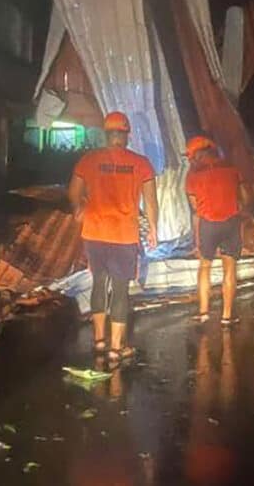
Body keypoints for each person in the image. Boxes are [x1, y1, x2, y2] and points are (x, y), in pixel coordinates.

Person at [68, 111, 159, 363]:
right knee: (120, 290)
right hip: (122, 235)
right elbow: (151, 201)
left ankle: (98, 340)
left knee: (99, 282)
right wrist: (152, 227)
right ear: (126, 135)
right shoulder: (141, 164)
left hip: (94, 233)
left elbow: (73, 190)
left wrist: (78, 207)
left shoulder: (89, 160)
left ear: (107, 134)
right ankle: (116, 348)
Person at [184, 136, 250, 326]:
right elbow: (245, 196)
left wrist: (197, 240)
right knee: (230, 267)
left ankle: (204, 312)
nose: (189, 159)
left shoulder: (192, 176)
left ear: (197, 155)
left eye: (190, 156)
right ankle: (226, 316)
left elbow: (195, 208)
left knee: (205, 266)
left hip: (208, 225)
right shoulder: (231, 168)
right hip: (231, 222)